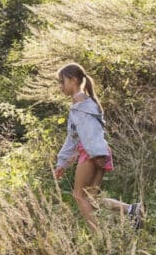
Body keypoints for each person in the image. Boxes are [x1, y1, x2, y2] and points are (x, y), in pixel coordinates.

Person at [51, 63, 144, 229]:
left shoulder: (82, 107)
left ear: (73, 81)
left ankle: (98, 236)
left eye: (62, 81)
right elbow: (73, 138)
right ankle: (131, 209)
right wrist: (62, 162)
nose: (60, 86)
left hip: (92, 153)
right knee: (91, 199)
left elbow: (89, 134)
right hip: (99, 152)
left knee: (79, 196)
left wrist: (96, 154)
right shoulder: (82, 105)